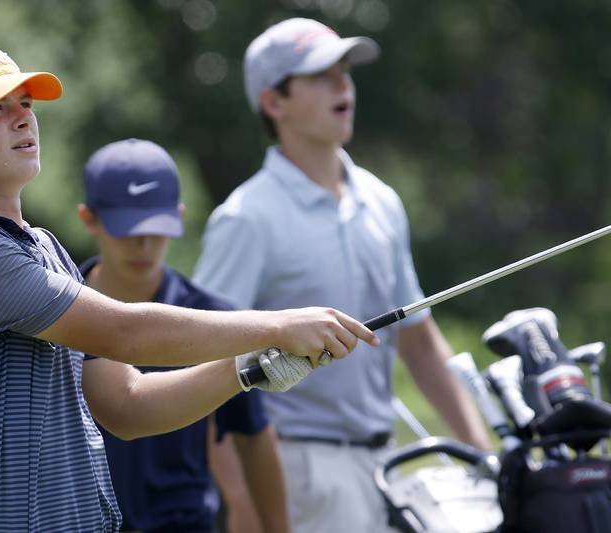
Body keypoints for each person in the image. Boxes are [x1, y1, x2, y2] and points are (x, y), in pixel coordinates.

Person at [0, 38, 379, 533]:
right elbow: (125, 332)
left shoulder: (42, 247)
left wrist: (247, 368)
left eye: (25, 103)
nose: (23, 117)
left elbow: (128, 404)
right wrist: (279, 325)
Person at [193, 18, 493, 533]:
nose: (343, 87)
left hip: (387, 466)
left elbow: (418, 341)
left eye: (344, 73)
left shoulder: (381, 201)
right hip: (297, 474)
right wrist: (240, 501)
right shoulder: (247, 218)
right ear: (274, 102)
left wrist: (482, 453)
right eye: (320, 76)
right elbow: (204, 361)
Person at [76, 138, 290, 533]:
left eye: (156, 229)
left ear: (178, 216)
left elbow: (253, 435)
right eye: (127, 230)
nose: (143, 244)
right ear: (90, 219)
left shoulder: (215, 319)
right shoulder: (57, 313)